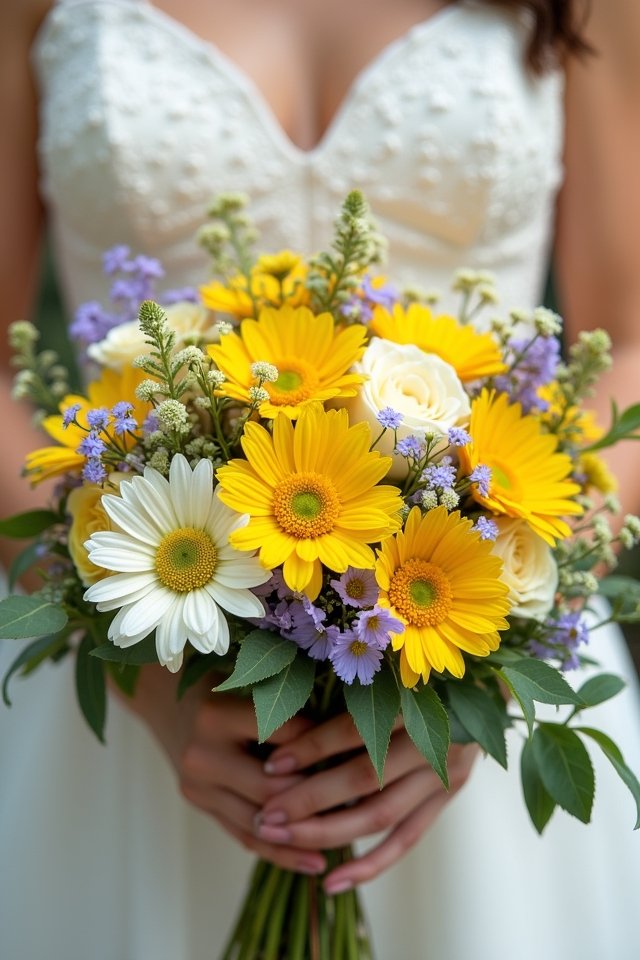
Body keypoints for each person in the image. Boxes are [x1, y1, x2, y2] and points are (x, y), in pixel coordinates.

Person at [1, 0, 640, 957]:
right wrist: (145, 678)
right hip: (133, 646)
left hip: (472, 644)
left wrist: (480, 674)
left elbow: (628, 339)